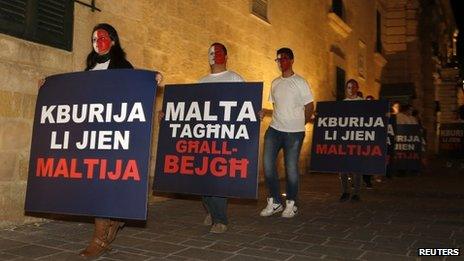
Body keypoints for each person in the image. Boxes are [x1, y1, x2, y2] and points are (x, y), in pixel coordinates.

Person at [77, 23, 162, 257]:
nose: (97, 41)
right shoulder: (89, 68)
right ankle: (114, 219)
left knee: (103, 184)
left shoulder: (123, 67)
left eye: (102, 37)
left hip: (113, 136)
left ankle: (99, 239)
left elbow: (135, 90)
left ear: (113, 41)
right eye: (94, 38)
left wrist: (151, 79)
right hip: (91, 136)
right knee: (96, 183)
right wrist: (49, 87)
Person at [260, 47, 314, 218]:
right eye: (278, 59)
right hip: (274, 130)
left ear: (291, 60)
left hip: (294, 133)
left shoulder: (301, 82)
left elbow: (309, 107)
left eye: (283, 58)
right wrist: (264, 113)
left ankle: (291, 203)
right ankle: (275, 201)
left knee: (291, 169)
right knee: (268, 166)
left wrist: (300, 124)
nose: (280, 62)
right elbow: (276, 107)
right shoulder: (275, 83)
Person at [199, 42, 245, 233]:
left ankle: (220, 220)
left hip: (225, 137)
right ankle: (212, 209)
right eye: (211, 52)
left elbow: (246, 104)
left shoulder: (235, 78)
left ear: (225, 57)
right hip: (204, 139)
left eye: (217, 52)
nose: (214, 55)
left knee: (217, 179)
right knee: (201, 179)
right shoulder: (200, 81)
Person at [339, 79, 363, 202]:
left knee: (356, 168)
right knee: (343, 168)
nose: (351, 89)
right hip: (345, 139)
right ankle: (345, 191)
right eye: (348, 87)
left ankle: (356, 193)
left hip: (358, 139)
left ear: (357, 88)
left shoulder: (363, 103)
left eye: (353, 87)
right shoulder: (342, 103)